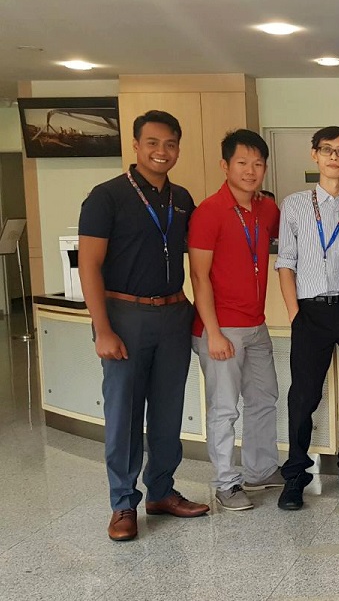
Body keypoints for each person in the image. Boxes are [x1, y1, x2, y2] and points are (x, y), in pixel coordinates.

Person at [78, 110, 209, 541]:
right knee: (124, 413)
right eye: (153, 142)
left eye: (170, 143)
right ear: (135, 145)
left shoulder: (182, 198)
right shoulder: (106, 197)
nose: (162, 151)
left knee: (169, 410)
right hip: (124, 316)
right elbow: (89, 266)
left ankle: (162, 491)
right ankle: (122, 504)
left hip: (174, 314)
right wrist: (102, 329)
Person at [276, 127, 339, 510]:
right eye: (327, 150)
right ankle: (296, 474)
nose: (335, 157)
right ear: (314, 155)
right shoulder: (294, 204)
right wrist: (294, 314)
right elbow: (285, 262)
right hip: (311, 313)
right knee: (303, 396)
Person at [189, 129, 283, 512]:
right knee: (225, 408)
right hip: (221, 327)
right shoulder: (208, 212)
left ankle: (260, 471)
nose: (251, 171)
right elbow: (199, 276)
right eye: (242, 163)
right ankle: (226, 483)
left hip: (256, 325)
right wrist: (213, 332)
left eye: (258, 164)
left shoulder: (266, 209)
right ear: (225, 165)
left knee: (264, 399)